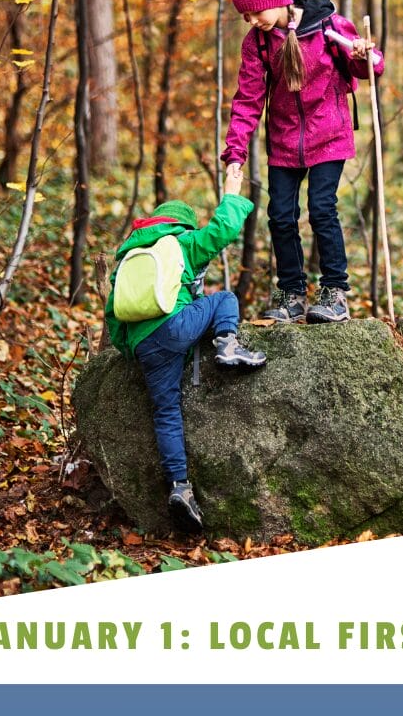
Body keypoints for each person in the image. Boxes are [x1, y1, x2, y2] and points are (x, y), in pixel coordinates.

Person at [222, 0, 384, 324]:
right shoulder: (258, 43)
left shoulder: (328, 26)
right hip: (284, 140)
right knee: (280, 216)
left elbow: (370, 67)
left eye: (256, 11)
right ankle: (292, 293)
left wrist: (365, 54)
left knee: (322, 208)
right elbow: (248, 99)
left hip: (329, 135)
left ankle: (335, 293)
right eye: (245, 15)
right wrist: (235, 153)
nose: (252, 20)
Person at [104, 171, 265, 533]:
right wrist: (232, 193)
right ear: (182, 224)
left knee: (166, 412)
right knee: (224, 299)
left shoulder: (128, 257)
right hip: (175, 327)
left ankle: (180, 486)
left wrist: (131, 350)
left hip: (145, 346)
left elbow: (113, 314)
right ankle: (228, 345)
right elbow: (222, 231)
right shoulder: (182, 242)